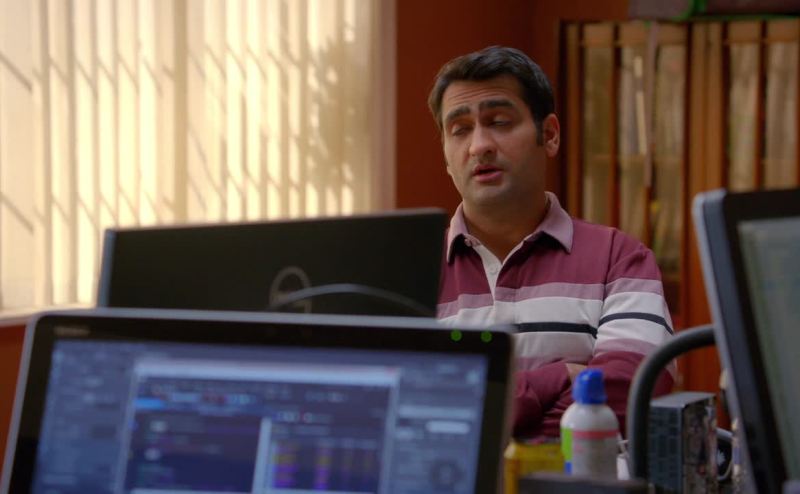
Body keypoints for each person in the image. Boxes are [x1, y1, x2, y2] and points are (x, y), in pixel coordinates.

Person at [428, 46, 674, 438]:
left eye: (500, 122)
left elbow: (631, 390)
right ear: (445, 155)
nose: (479, 146)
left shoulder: (619, 259)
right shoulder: (415, 274)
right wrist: (555, 379)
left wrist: (490, 432)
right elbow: (402, 410)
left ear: (550, 135)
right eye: (460, 129)